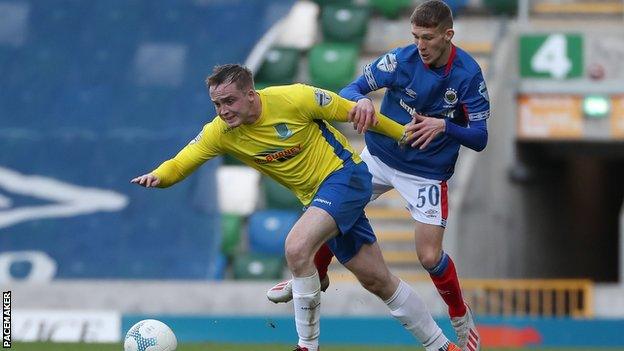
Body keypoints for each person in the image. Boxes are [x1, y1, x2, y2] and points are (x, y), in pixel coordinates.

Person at [131, 64, 461, 351]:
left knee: (296, 246)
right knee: (378, 280)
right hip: (318, 200)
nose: (223, 111)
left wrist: (403, 133)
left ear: (251, 94)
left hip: (345, 177)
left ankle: (307, 344)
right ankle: (441, 345)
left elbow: (357, 112)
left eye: (229, 101)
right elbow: (180, 163)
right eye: (217, 104)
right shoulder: (220, 133)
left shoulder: (296, 98)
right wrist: (159, 176)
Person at [266, 2, 488, 351]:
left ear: (448, 35)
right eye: (415, 36)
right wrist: (362, 101)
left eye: (428, 38)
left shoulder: (468, 74)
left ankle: (460, 316)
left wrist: (445, 125)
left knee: (429, 257)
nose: (421, 45)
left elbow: (480, 137)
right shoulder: (400, 60)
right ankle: (314, 275)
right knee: (332, 206)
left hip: (427, 173)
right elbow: (350, 90)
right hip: (379, 158)